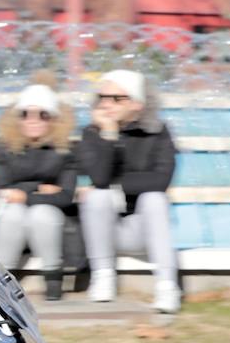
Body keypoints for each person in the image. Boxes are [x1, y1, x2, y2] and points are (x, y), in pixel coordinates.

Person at [76, 69, 181, 313]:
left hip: (144, 231)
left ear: (137, 103)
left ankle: (167, 285)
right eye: (102, 97)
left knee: (154, 198)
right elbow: (99, 178)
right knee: (97, 197)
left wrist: (116, 188)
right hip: (105, 232)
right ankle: (103, 275)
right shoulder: (93, 133)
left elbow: (160, 180)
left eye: (116, 98)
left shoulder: (158, 132)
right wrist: (109, 136)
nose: (106, 104)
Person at [0, 71, 77, 301]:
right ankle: (0, 285)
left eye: (43, 114)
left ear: (54, 118)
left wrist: (24, 194)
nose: (33, 119)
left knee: (41, 214)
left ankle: (53, 281)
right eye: (26, 114)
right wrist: (40, 190)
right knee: (12, 213)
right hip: (12, 216)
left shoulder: (64, 149)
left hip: (50, 220)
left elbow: (66, 195)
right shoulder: (4, 145)